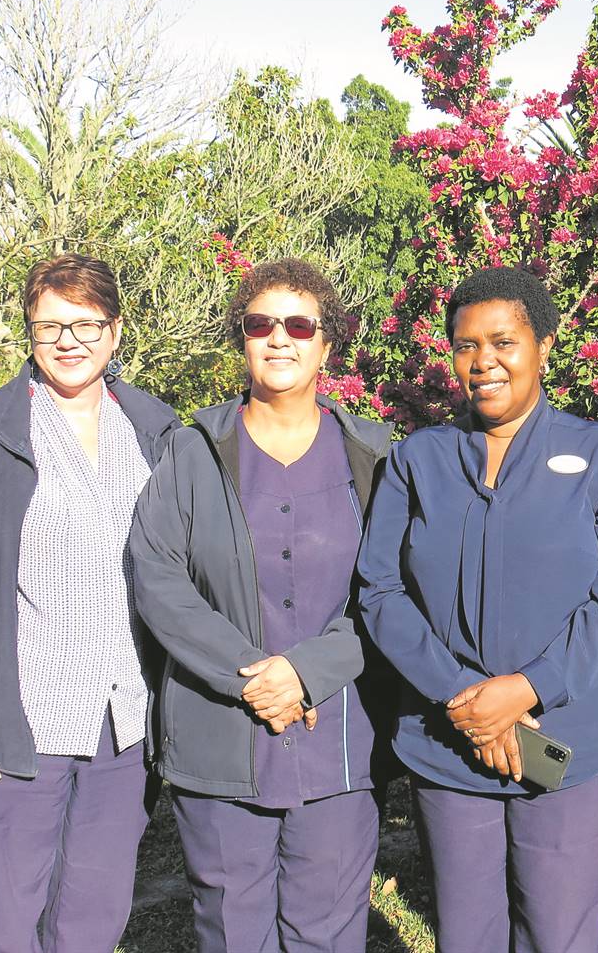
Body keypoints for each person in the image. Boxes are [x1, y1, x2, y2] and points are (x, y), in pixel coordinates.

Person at [357, 266, 598, 953]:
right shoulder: (419, 460)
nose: (483, 361)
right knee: (467, 934)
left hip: (568, 741)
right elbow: (379, 590)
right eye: (466, 345)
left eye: (503, 342)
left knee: (559, 934)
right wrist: (467, 698)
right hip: (448, 737)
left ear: (544, 346)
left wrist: (526, 689)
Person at [0, 253, 181, 952]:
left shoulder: (154, 432)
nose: (69, 341)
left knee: (92, 919)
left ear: (115, 331)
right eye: (49, 325)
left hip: (123, 724)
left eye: (86, 324)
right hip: (19, 727)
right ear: (29, 332)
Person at [128, 257, 390, 953]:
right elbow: (158, 577)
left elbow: (393, 589)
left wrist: (307, 671)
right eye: (260, 324)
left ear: (327, 345)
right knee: (232, 932)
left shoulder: (374, 457)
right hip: (218, 736)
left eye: (299, 326)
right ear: (241, 339)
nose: (279, 338)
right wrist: (253, 674)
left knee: (327, 934)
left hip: (339, 739)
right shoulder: (192, 452)